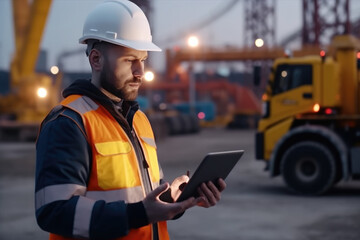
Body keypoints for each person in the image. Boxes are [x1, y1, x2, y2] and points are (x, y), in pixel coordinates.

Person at [35, 0, 226, 239]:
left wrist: (176, 198)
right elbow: (53, 211)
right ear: (96, 59)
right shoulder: (69, 123)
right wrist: (139, 214)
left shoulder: (140, 121)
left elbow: (142, 199)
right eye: (129, 60)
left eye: (143, 60)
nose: (140, 72)